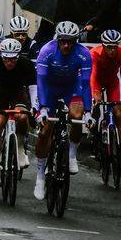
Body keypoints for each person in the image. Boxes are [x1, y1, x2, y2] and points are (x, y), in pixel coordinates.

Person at [33, 21, 92, 200]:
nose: (66, 45)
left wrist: (88, 111)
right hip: (49, 90)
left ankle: (72, 153)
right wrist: (42, 108)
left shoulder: (83, 54)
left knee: (76, 116)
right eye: (63, 41)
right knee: (45, 131)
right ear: (57, 40)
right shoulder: (46, 51)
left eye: (70, 42)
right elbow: (41, 82)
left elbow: (86, 84)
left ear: (76, 41)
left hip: (71, 89)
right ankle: (40, 176)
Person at [0, 37, 37, 185]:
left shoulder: (26, 64)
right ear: (2, 55)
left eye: (13, 59)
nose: (9, 62)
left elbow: (33, 89)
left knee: (21, 117)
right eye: (6, 59)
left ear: (19, 56)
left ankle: (19, 148)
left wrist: (35, 105)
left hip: (18, 92)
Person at [89, 29, 121, 152]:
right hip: (97, 81)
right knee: (97, 103)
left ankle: (119, 150)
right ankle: (94, 133)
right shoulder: (95, 53)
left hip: (112, 82)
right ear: (103, 45)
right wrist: (94, 95)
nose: (112, 50)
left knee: (119, 114)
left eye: (115, 47)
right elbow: (92, 75)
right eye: (109, 47)